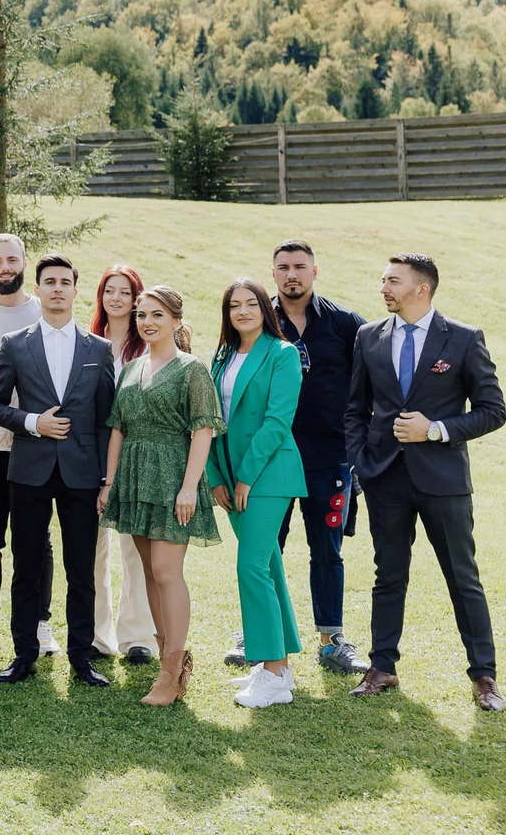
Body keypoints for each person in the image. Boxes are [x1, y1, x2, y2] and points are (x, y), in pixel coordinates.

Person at [345, 253, 506, 712]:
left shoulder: (463, 338)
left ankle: (484, 676)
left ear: (422, 288)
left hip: (444, 480)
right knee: (388, 575)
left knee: (462, 578)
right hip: (385, 478)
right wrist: (360, 462)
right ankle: (382, 667)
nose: (383, 288)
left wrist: (434, 429)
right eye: (383, 279)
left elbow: (493, 411)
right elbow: (356, 408)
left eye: (393, 281)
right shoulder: (368, 336)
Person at [0, 254, 116, 689]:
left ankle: (81, 658)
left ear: (76, 291)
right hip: (29, 471)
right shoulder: (14, 344)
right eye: (50, 281)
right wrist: (32, 422)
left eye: (65, 282)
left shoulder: (99, 348)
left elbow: (106, 419)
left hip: (83, 473)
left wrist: (105, 478)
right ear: (38, 289)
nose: (57, 288)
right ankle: (24, 655)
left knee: (81, 571)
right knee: (26, 567)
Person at [100, 284, 222, 707]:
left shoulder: (192, 369)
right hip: (135, 480)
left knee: (168, 571)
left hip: (172, 479)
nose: (147, 322)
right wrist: (110, 484)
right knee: (151, 572)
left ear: (175, 320)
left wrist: (189, 487)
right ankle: (167, 661)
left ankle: (172, 671)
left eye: (156, 315)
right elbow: (118, 429)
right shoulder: (132, 368)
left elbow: (203, 430)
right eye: (141, 315)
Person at [266, 240, 371, 675]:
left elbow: (371, 385)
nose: (291, 274)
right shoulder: (258, 319)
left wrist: (360, 451)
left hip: (330, 459)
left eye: (299, 266)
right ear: (273, 273)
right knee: (265, 547)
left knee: (327, 550)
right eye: (283, 267)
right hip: (270, 457)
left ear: (315, 271)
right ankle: (262, 632)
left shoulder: (346, 324)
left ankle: (331, 640)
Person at [205, 277, 306, 708]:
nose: (242, 311)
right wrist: (215, 476)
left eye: (251, 303)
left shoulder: (282, 354)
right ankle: (277, 666)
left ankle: (273, 673)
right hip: (230, 478)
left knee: (251, 568)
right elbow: (209, 417)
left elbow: (277, 421)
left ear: (265, 308)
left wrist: (245, 477)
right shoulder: (223, 356)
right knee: (268, 566)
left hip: (268, 474)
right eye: (234, 305)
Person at [0, 233, 54, 662]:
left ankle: (40, 622)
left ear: (24, 262)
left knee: (36, 538)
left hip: (35, 443)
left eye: (12, 260)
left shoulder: (44, 311)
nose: (5, 268)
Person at [88, 264, 158, 664]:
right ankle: (98, 636)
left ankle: (138, 638)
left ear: (136, 299)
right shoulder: (86, 342)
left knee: (136, 549)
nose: (116, 298)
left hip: (137, 455)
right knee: (93, 549)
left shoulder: (147, 346)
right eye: (109, 291)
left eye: (125, 292)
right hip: (91, 454)